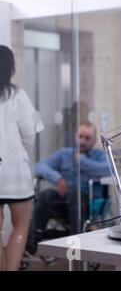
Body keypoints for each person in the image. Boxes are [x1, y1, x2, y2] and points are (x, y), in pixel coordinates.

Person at [25, 122, 110, 256]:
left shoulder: (99, 155)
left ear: (94, 141)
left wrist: (81, 160)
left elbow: (108, 170)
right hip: (63, 201)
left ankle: (76, 239)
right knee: (46, 195)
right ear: (75, 137)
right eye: (80, 136)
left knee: (75, 194)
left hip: (87, 202)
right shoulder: (65, 153)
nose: (82, 141)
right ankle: (33, 242)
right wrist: (57, 178)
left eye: (87, 138)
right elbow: (40, 166)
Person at [0, 45, 44, 270]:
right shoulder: (18, 95)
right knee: (20, 226)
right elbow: (30, 133)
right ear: (10, 68)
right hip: (15, 174)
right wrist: (23, 152)